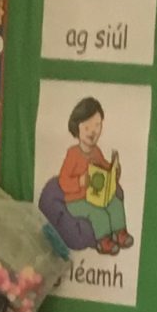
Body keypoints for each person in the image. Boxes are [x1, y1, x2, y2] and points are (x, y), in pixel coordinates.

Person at [58, 98, 132, 255]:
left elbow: (104, 166)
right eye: (87, 127)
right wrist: (80, 181)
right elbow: (63, 181)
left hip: (96, 195)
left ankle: (120, 232)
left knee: (115, 203)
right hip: (77, 201)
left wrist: (114, 171)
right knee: (98, 213)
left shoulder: (96, 151)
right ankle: (103, 241)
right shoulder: (73, 154)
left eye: (97, 125)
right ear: (77, 128)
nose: (93, 131)